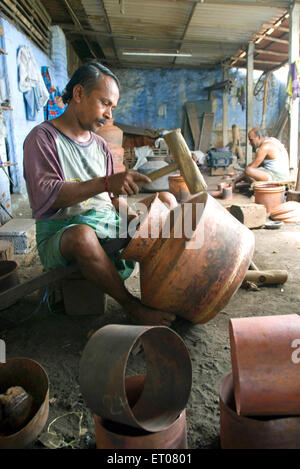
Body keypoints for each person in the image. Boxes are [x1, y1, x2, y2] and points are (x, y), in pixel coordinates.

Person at [23, 61, 176, 326]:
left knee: (165, 201)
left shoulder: (101, 146)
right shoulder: (43, 138)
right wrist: (106, 183)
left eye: (112, 107)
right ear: (79, 94)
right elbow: (48, 197)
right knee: (84, 235)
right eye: (104, 103)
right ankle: (132, 306)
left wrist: (135, 221)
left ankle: (168, 292)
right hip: (62, 231)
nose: (109, 115)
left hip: (106, 223)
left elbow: (111, 198)